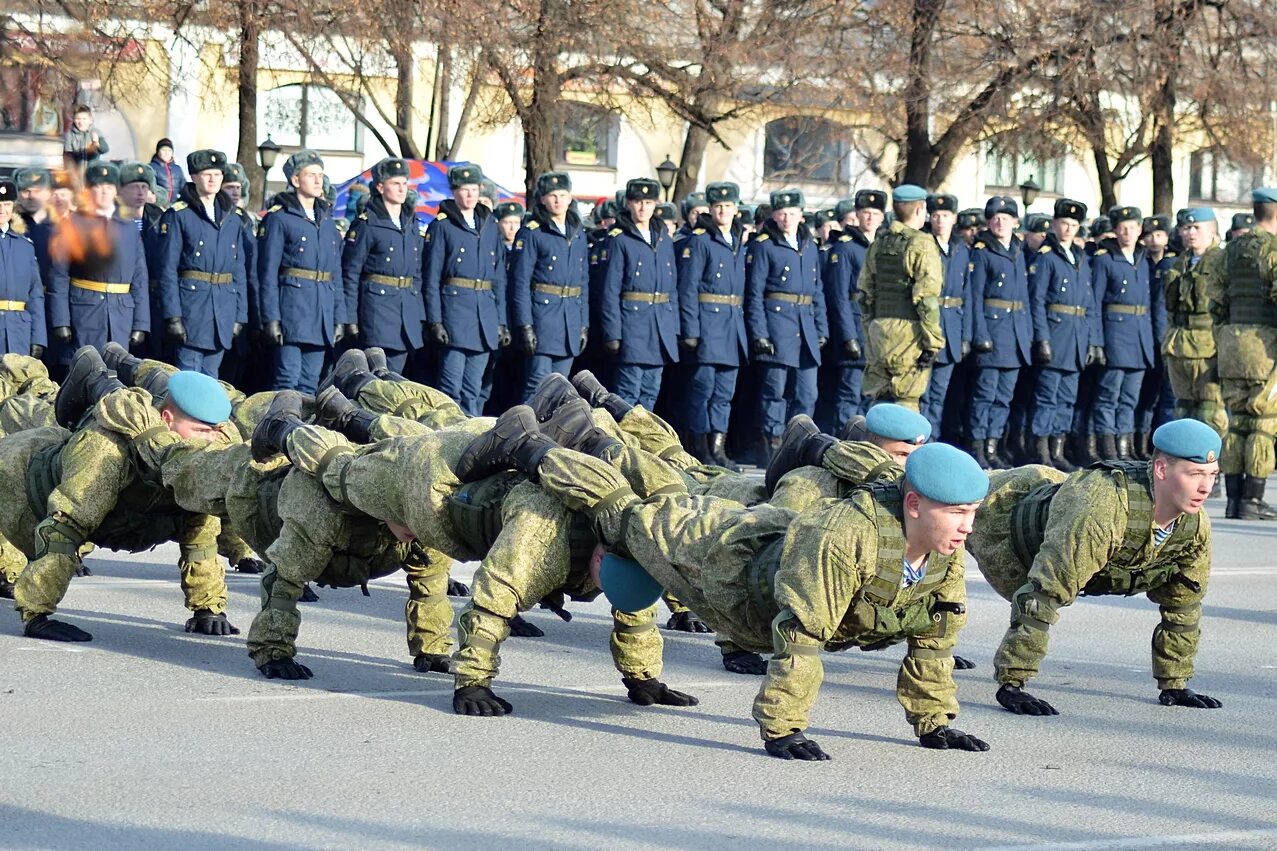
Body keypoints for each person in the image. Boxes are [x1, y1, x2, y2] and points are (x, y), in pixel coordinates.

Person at [455, 413, 991, 759]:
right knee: (627, 516)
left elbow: (934, 644)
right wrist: (783, 729)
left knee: (658, 497)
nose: (968, 526)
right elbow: (801, 638)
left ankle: (590, 432)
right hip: (725, 562)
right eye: (958, 512)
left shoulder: (943, 551)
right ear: (914, 504)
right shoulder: (844, 538)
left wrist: (934, 724)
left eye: (972, 513)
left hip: (772, 550)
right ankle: (531, 445)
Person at [968, 419, 1222, 716]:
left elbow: (1184, 606)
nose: (1206, 487)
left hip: (1054, 507)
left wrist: (1175, 683)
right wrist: (1012, 683)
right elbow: (1044, 593)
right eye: (1194, 475)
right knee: (929, 515)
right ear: (1162, 469)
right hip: (1001, 517)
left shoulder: (1193, 526)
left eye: (1212, 475)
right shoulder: (1104, 508)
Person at [8, 347, 236, 642]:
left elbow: (201, 534)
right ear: (166, 419)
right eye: (201, 430)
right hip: (18, 480)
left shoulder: (199, 457)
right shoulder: (107, 450)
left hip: (123, 514)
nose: (212, 440)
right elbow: (65, 524)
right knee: (26, 409)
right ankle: (91, 380)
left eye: (215, 431)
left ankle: (113, 373)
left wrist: (208, 608)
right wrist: (37, 615)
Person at [1206, 188, 1277, 519]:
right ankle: (1253, 499)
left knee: (1236, 424)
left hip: (1231, 343)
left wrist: (1225, 333)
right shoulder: (1274, 250)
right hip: (1265, 345)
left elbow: (1215, 300)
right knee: (1264, 422)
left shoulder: (1230, 250)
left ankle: (1234, 499)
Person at [746, 188, 828, 457]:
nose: (786, 218)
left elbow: (818, 292)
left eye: (792, 213)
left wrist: (821, 328)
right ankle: (773, 444)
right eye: (781, 213)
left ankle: (801, 444)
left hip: (805, 326)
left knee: (808, 393)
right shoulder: (765, 245)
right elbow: (755, 293)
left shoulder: (809, 246)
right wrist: (760, 333)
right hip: (777, 326)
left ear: (801, 215)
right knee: (775, 392)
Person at [256, 150, 345, 394]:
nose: (318, 181)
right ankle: (279, 429)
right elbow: (267, 274)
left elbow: (335, 273)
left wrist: (339, 317)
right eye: (311, 175)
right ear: (296, 180)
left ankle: (300, 431)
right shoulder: (280, 219)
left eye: (320, 175)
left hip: (321, 313)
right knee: (287, 380)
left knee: (309, 384)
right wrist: (271, 318)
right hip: (291, 313)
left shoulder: (327, 221)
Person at [156, 149, 249, 377]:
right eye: (207, 174)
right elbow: (167, 269)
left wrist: (240, 314)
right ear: (194, 177)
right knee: (188, 377)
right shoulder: (179, 215)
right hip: (192, 308)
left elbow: (238, 269)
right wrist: (173, 316)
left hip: (223, 308)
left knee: (212, 378)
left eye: (217, 175)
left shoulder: (232, 217)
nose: (213, 180)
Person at [423, 164, 508, 413]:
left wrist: (501, 321)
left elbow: (499, 277)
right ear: (453, 192)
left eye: (474, 189)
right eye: (463, 190)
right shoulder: (442, 226)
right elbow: (431, 278)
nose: (469, 195)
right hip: (455, 315)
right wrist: (435, 321)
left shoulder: (490, 224)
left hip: (485, 316)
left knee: (473, 389)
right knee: (450, 388)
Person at [677, 181, 748, 469]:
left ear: (736, 209)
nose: (723, 211)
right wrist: (691, 330)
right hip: (708, 324)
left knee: (723, 394)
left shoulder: (737, 240)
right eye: (718, 206)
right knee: (702, 391)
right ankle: (701, 449)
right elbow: (688, 288)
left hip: (731, 326)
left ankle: (718, 450)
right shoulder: (700, 240)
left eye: (728, 206)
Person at [47, 163, 149, 360]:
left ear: (116, 190)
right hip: (84, 311)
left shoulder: (128, 228)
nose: (103, 192)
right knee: (86, 371)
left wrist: (141, 323)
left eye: (109, 187)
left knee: (117, 376)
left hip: (121, 313)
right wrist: (61, 321)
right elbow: (58, 276)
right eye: (97, 187)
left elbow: (140, 278)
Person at [1027, 198, 1100, 470]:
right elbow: (1037, 301)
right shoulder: (1047, 257)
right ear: (1054, 224)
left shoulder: (1081, 258)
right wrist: (1042, 338)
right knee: (1047, 396)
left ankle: (1057, 450)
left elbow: (1089, 302)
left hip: (1078, 336)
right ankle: (1042, 450)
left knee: (1067, 398)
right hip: (1056, 334)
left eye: (1073, 224)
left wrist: (1092, 340)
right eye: (1064, 224)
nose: (1068, 229)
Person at [858, 184, 943, 411]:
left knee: (879, 401)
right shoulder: (922, 244)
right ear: (919, 209)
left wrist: (871, 329)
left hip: (879, 329)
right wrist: (933, 342)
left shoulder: (878, 243)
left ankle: (875, 446)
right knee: (906, 401)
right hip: (909, 334)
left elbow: (865, 294)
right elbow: (927, 299)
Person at [508, 172, 590, 401]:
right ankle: (524, 433)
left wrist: (583, 323)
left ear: (570, 197)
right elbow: (520, 282)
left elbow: (583, 281)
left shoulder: (577, 232)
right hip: (542, 318)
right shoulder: (533, 231)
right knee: (538, 386)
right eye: (552, 195)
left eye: (563, 195)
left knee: (560, 390)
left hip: (569, 319)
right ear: (542, 199)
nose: (558, 200)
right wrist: (524, 325)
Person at [599, 177, 679, 410]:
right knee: (628, 391)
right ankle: (624, 444)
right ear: (629, 204)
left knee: (650, 390)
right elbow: (610, 291)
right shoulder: (620, 239)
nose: (643, 207)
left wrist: (674, 328)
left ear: (656, 204)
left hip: (660, 326)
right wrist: (612, 333)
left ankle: (645, 444)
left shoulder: (663, 238)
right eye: (637, 202)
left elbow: (671, 287)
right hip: (632, 325)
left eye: (648, 202)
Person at [342, 158, 426, 377]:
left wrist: (420, 314)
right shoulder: (367, 222)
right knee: (377, 378)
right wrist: (350, 318)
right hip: (377, 311)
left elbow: (416, 273)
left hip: (405, 312)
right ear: (380, 187)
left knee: (397, 380)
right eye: (395, 183)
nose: (401, 189)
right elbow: (351, 274)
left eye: (404, 183)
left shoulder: (410, 222)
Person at [1091, 205, 1160, 460]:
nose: (1127, 232)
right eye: (1122, 228)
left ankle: (1125, 446)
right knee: (1109, 395)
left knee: (1130, 398)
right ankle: (1108, 447)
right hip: (1116, 335)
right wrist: (1097, 340)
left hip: (1140, 337)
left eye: (1132, 227)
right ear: (1115, 231)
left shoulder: (1142, 258)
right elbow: (1095, 303)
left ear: (1139, 229)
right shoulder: (1105, 258)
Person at [967, 196, 1031, 468]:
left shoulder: (1018, 249)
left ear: (1015, 222)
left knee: (1004, 397)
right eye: (995, 218)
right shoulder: (983, 251)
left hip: (1015, 335)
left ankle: (993, 445)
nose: (1000, 222)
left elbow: (1024, 296)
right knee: (985, 395)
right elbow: (974, 295)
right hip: (993, 331)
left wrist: (1027, 336)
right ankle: (978, 446)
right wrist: (980, 334)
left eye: (1005, 218)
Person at [1161, 208, 1226, 439]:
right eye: (1186, 228)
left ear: (1212, 231)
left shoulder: (1222, 263)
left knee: (1210, 411)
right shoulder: (1180, 263)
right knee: (1183, 410)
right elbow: (1170, 309)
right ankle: (1186, 465)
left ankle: (1210, 467)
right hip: (1178, 346)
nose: (1190, 233)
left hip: (1209, 348)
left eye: (1197, 228)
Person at [918, 193, 971, 438]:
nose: (940, 220)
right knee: (922, 393)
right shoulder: (922, 244)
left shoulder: (961, 249)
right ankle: (921, 439)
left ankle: (934, 439)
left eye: (945, 216)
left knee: (939, 394)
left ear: (954, 219)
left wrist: (965, 335)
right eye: (936, 215)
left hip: (951, 327)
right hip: (926, 329)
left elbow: (968, 294)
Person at [0, 180, 47, 359]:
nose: (2, 210)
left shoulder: (25, 246)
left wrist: (38, 338)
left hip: (19, 331)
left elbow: (35, 294)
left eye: (7, 204)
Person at [62, 104, 109, 175]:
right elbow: (68, 157)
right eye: (78, 119)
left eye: (84, 119)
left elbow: (105, 149)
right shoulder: (69, 134)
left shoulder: (96, 132)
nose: (81, 122)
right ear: (73, 120)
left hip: (92, 171)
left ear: (90, 120)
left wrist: (96, 144)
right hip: (76, 172)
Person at [150, 138, 185, 207]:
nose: (166, 153)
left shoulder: (177, 169)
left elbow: (184, 188)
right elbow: (150, 188)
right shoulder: (151, 168)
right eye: (163, 150)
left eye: (169, 150)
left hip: (173, 206)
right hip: (157, 206)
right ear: (158, 152)